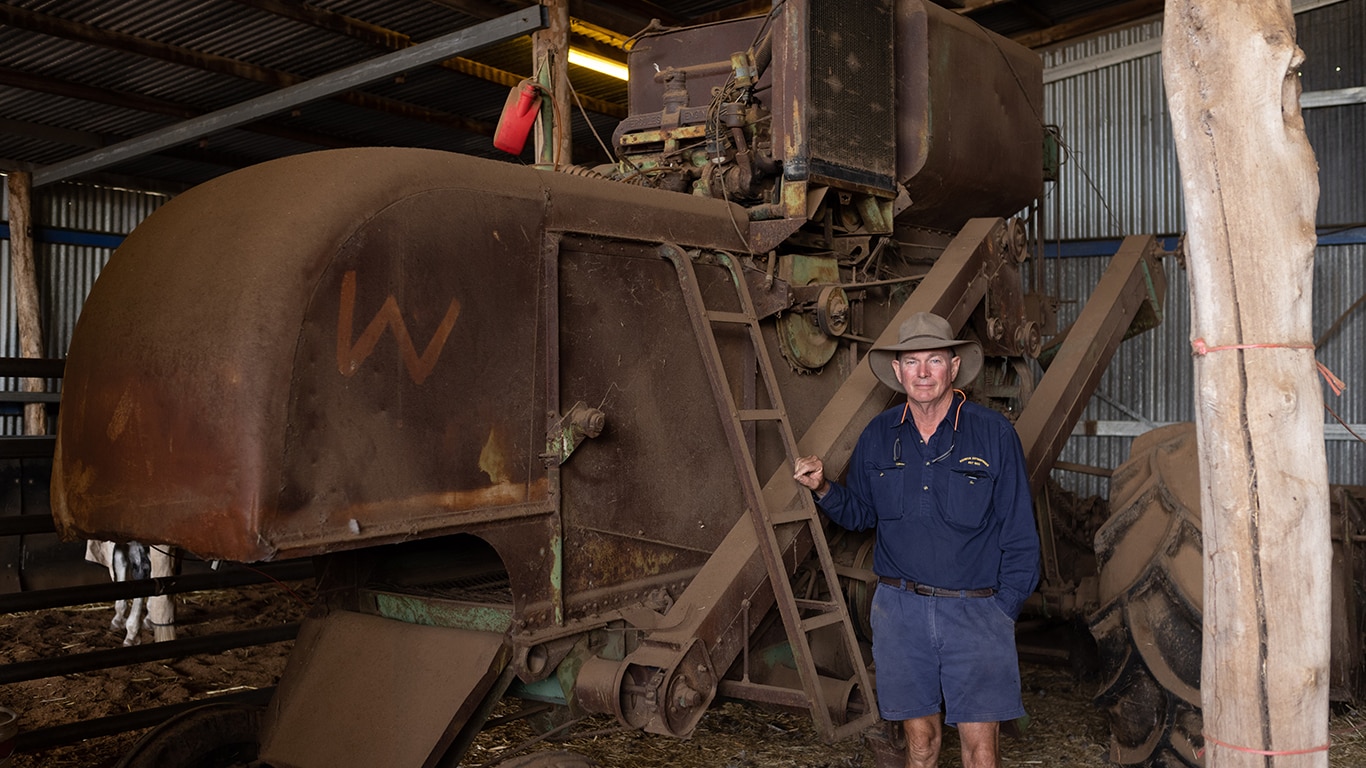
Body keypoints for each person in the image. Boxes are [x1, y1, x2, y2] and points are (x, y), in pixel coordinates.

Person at [793, 312, 1039, 768]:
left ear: (952, 367)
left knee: (981, 752)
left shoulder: (993, 434)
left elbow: (1020, 535)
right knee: (920, 744)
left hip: (976, 612)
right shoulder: (879, 435)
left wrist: (1002, 609)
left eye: (933, 361)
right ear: (897, 371)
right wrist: (823, 488)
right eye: (911, 362)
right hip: (901, 612)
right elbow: (863, 515)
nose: (922, 372)